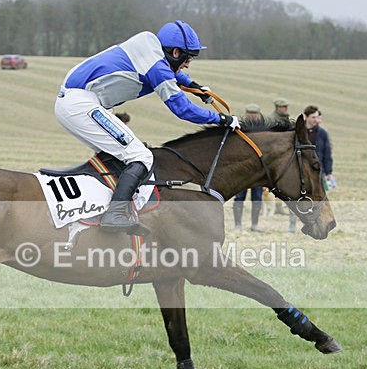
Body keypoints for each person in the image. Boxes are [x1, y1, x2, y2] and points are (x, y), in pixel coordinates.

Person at [55, 20, 241, 236]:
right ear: (175, 52)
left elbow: (173, 73)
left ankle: (100, 206)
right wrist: (221, 119)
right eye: (187, 58)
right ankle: (114, 215)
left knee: (121, 155)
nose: (188, 64)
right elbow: (182, 109)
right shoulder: (158, 68)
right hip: (81, 105)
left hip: (80, 101)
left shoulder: (149, 45)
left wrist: (195, 86)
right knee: (140, 156)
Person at [289, 105, 335, 232]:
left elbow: (327, 153)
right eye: (313, 117)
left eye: (317, 117)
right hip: (299, 170)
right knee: (295, 197)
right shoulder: (297, 131)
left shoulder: (322, 133)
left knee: (318, 198)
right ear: (306, 117)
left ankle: (318, 222)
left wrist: (329, 172)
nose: (316, 120)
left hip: (316, 172)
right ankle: (292, 223)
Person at [233, 104, 265, 232]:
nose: (252, 116)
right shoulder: (238, 128)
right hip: (242, 170)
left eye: (254, 113)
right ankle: (238, 225)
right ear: (246, 114)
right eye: (249, 113)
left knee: (257, 198)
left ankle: (254, 224)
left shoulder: (262, 130)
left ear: (258, 115)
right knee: (239, 197)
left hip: (257, 170)